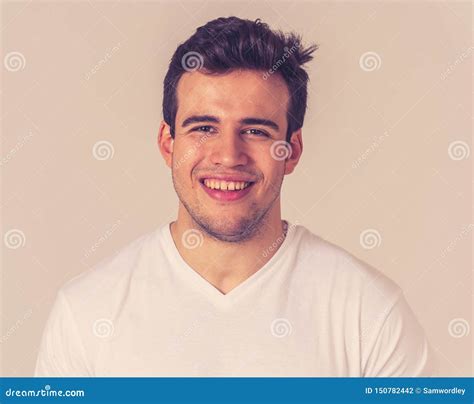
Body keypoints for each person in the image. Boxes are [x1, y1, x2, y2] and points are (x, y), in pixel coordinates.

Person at [35, 16, 437, 377]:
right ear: (167, 143)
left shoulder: (370, 314)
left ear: (291, 150)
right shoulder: (86, 313)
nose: (228, 155)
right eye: (203, 128)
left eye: (256, 130)